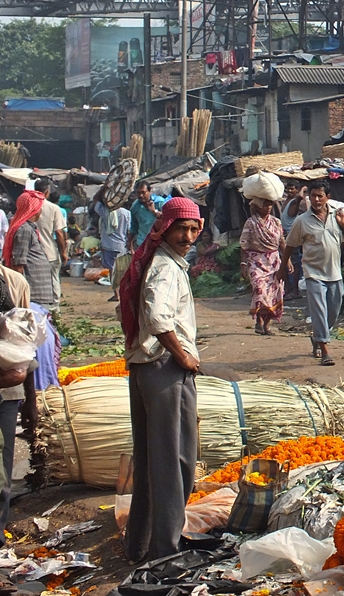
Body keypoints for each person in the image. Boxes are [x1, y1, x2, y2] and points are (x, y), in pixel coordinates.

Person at [117, 197, 202, 562]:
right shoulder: (166, 267)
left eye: (193, 229)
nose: (187, 236)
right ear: (164, 229)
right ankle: (166, 550)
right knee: (176, 461)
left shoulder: (163, 262)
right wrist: (182, 354)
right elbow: (156, 316)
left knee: (152, 461)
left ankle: (139, 545)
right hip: (164, 368)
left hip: (144, 369)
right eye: (180, 229)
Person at [278, 181, 344, 366]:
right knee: (319, 311)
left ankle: (318, 337)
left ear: (327, 197)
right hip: (313, 273)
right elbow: (291, 245)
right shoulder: (301, 221)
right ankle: (325, 349)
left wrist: (342, 223)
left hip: (335, 272)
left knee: (333, 310)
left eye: (320, 196)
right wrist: (283, 266)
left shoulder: (337, 216)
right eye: (313, 196)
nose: (317, 199)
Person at [0, 263, 38, 549]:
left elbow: (26, 342)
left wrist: (30, 400)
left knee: (2, 478)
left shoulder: (12, 283)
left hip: (8, 391)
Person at [240, 198, 287, 336]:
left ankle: (267, 325)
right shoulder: (251, 223)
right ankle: (259, 321)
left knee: (273, 293)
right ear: (257, 206)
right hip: (256, 261)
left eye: (270, 204)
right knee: (260, 290)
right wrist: (243, 264)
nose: (268, 207)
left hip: (274, 261)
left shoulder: (276, 222)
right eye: (264, 204)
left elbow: (282, 242)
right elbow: (244, 245)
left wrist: (287, 261)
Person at [3, 191, 56, 311]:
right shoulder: (24, 230)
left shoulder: (29, 228)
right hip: (33, 294)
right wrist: (20, 292)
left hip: (38, 292)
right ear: (34, 209)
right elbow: (18, 264)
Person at [33, 181, 67, 309]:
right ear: (46, 192)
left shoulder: (29, 206)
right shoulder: (53, 208)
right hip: (49, 252)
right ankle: (54, 310)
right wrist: (63, 252)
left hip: (32, 253)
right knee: (54, 280)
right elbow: (59, 232)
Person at [94, 190, 131, 301]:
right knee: (123, 271)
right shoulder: (126, 213)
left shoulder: (105, 212)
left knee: (112, 272)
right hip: (121, 246)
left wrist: (103, 189)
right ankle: (123, 293)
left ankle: (117, 294)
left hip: (109, 246)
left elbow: (95, 200)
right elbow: (130, 231)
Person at [280, 182, 306, 300]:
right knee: (284, 263)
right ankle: (288, 288)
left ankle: (295, 291)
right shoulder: (285, 201)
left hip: (292, 237)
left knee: (294, 263)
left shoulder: (294, 202)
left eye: (292, 189)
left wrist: (304, 188)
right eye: (288, 189)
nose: (290, 191)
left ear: (297, 190)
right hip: (285, 235)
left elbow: (300, 197)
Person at [128, 181, 166, 250]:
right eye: (138, 193)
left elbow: (168, 219)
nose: (140, 195)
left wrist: (155, 212)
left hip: (159, 244)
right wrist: (129, 243)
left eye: (143, 192)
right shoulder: (135, 207)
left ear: (149, 191)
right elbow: (134, 227)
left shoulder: (160, 202)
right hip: (142, 243)